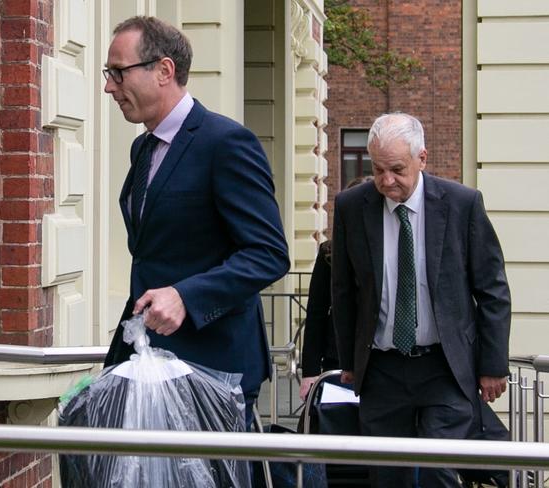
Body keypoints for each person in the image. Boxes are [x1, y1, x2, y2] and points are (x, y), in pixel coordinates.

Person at [101, 16, 290, 429]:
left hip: (214, 369)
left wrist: (187, 297)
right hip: (148, 363)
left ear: (164, 70)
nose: (109, 87)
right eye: (108, 73)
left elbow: (269, 254)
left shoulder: (226, 143)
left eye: (118, 72)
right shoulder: (142, 148)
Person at [332, 112, 511, 487]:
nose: (386, 181)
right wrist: (349, 361)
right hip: (381, 369)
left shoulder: (462, 204)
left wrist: (492, 365)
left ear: (422, 159)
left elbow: (492, 289)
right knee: (386, 476)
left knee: (438, 470)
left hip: (443, 367)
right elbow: (345, 292)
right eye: (378, 169)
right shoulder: (352, 207)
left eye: (396, 169)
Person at [299, 175, 374, 402]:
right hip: (338, 359)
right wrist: (310, 371)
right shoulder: (328, 253)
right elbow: (316, 313)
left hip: (380, 359)